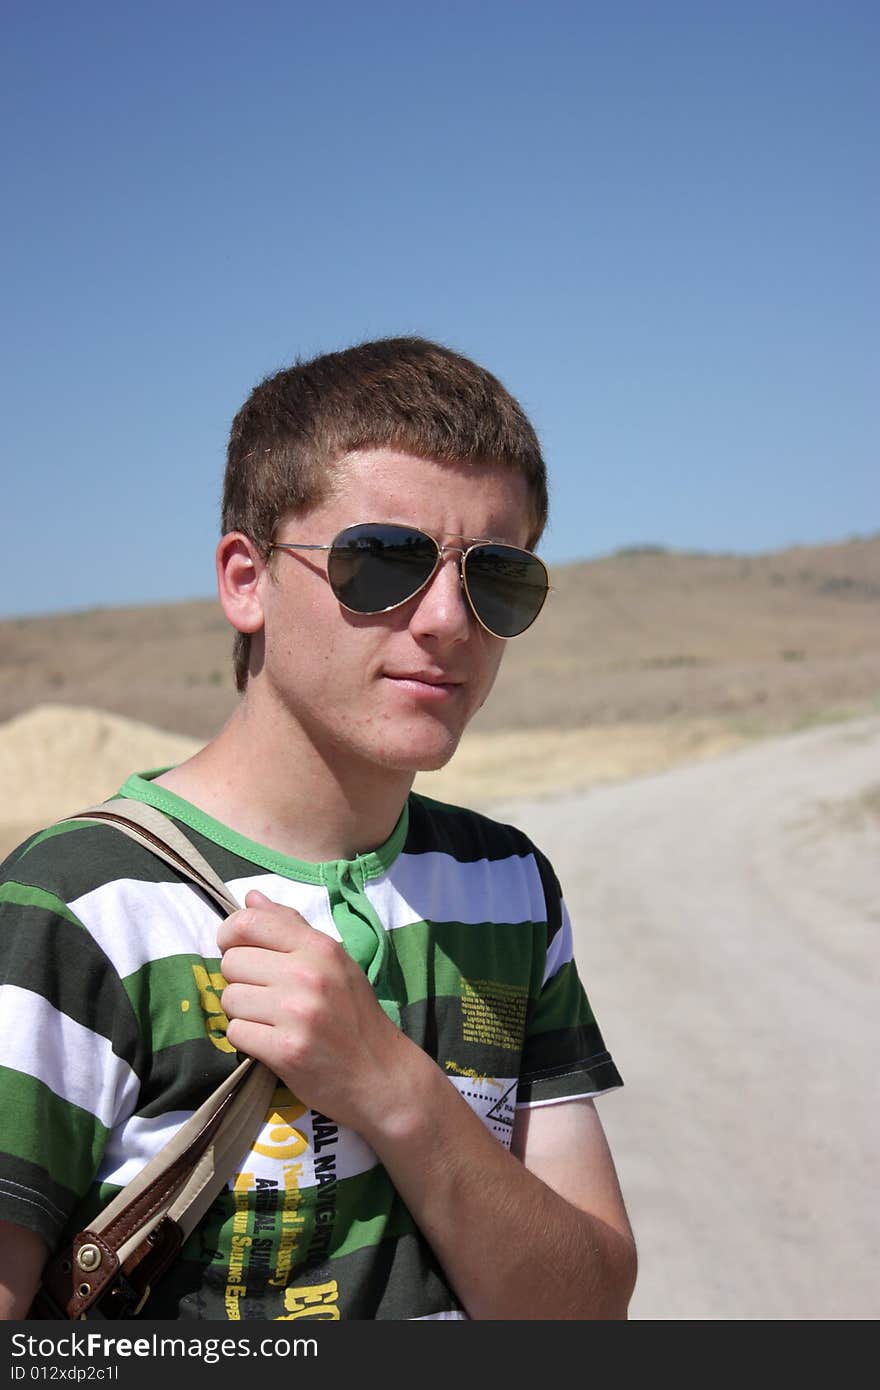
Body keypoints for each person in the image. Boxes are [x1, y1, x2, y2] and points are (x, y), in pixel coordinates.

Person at [0, 336, 637, 1320]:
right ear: (246, 580)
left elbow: (584, 1310)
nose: (445, 620)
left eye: (496, 578)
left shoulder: (507, 882)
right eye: (383, 560)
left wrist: (391, 1085)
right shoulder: (83, 904)